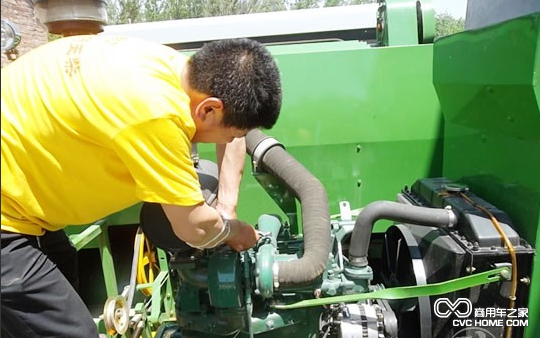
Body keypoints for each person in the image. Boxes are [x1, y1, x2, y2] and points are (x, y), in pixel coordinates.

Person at [1, 35, 282, 338]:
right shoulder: (156, 114)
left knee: (61, 271)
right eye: (230, 133)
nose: (230, 141)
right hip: (8, 216)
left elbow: (236, 139)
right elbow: (195, 228)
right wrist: (237, 231)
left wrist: (226, 209)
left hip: (21, 194)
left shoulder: (176, 69)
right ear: (209, 110)